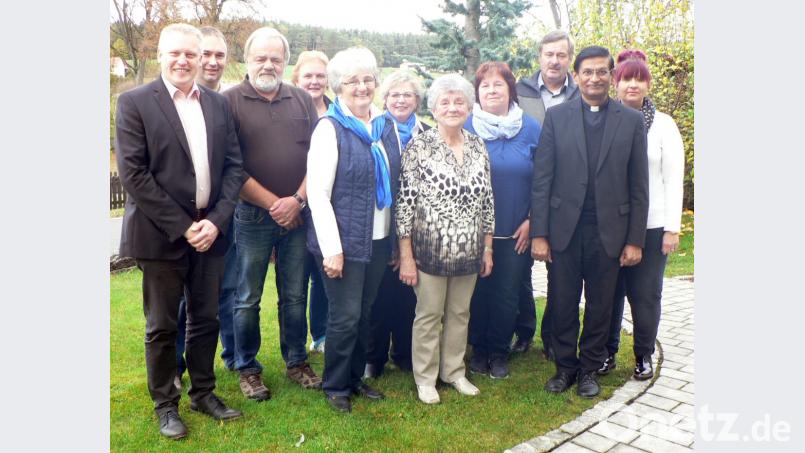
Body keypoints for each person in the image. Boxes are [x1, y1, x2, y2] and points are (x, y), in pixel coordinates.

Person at [116, 23, 244, 439]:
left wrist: (215, 220)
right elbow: (134, 175)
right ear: (160, 55)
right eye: (176, 53)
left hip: (211, 231)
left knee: (207, 319)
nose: (185, 60)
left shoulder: (217, 104)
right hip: (161, 236)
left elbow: (234, 168)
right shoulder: (134, 102)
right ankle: (166, 404)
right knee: (162, 325)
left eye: (192, 53)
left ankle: (203, 392)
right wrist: (186, 227)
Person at [530, 46, 649, 398]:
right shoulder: (557, 117)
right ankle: (565, 367)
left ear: (611, 76)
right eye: (587, 72)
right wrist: (540, 233)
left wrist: (635, 239)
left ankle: (589, 369)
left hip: (609, 232)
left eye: (601, 72)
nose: (594, 78)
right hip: (565, 230)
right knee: (563, 302)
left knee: (601, 306)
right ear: (576, 76)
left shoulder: (630, 121)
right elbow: (542, 178)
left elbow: (639, 185)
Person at [225, 27, 321, 402]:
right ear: (247, 60)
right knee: (247, 296)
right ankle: (248, 368)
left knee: (295, 295)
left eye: (276, 58)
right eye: (260, 58)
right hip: (251, 217)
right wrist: (273, 204)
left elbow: (318, 158)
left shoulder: (301, 99)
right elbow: (229, 166)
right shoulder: (229, 101)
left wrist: (296, 200)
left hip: (298, 214)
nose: (268, 64)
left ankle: (297, 362)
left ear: (286, 62)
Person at [306, 47, 402, 413]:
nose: (362, 87)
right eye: (352, 81)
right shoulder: (329, 129)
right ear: (338, 86)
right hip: (343, 241)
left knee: (365, 311)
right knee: (344, 316)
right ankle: (335, 385)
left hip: (378, 239)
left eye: (367, 79)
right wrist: (332, 248)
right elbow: (318, 194)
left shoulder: (382, 125)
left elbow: (393, 184)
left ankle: (356, 378)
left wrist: (394, 240)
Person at [397, 74, 495, 405]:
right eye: (445, 102)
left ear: (469, 107)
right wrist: (406, 256)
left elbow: (488, 201)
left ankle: (453, 371)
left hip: (469, 249)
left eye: (459, 102)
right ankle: (425, 378)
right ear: (434, 109)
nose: (452, 107)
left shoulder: (478, 145)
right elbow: (405, 204)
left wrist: (488, 247)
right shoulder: (419, 146)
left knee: (460, 312)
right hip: (430, 250)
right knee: (428, 315)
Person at [596, 50, 685, 380]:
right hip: (610, 225)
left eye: (639, 79)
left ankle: (643, 354)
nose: (632, 85)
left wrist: (672, 228)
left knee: (645, 294)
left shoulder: (663, 126)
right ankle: (606, 352)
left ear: (648, 84)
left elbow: (673, 177)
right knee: (608, 293)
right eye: (625, 78)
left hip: (651, 225)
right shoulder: (604, 120)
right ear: (615, 83)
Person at [465, 61, 541, 379]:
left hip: (516, 231)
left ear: (511, 89)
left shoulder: (532, 128)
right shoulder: (466, 127)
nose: (492, 90)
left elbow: (547, 179)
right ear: (477, 92)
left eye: (498, 84)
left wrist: (534, 219)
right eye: (485, 86)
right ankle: (477, 351)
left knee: (508, 295)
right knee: (477, 292)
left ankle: (498, 353)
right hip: (473, 232)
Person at [174, 25, 236, 392]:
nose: (212, 62)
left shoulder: (224, 101)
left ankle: (223, 359)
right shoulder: (165, 101)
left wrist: (217, 219)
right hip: (176, 223)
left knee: (219, 294)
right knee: (176, 305)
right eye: (206, 54)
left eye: (218, 56)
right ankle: (174, 368)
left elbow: (232, 164)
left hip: (221, 219)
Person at [511, 30, 580, 359]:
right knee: (520, 269)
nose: (555, 61)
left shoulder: (580, 94)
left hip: (566, 197)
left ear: (569, 59)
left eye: (561, 55)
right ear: (539, 57)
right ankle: (523, 330)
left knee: (560, 273)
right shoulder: (519, 92)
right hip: (525, 193)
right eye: (549, 54)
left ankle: (553, 335)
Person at [364, 69, 429, 379]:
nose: (401, 100)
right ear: (385, 98)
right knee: (378, 297)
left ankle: (403, 353)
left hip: (418, 230)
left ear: (417, 100)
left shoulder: (428, 132)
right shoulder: (373, 130)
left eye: (408, 94)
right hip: (382, 225)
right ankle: (373, 358)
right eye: (395, 95)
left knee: (407, 296)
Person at [290, 50, 332, 354]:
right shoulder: (288, 110)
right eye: (308, 76)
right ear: (296, 79)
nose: (314, 81)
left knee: (322, 276)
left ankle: (321, 335)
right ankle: (294, 344)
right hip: (293, 205)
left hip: (327, 207)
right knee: (295, 280)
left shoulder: (336, 112)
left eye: (320, 76)